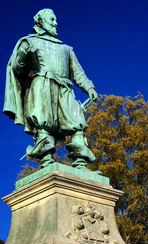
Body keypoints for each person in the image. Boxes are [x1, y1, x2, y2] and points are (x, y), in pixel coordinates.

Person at [3, 8, 99, 171]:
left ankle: (80, 162)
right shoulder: (29, 41)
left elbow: (78, 73)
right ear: (40, 22)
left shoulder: (66, 49)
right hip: (42, 85)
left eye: (55, 20)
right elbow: (17, 69)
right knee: (43, 121)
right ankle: (46, 159)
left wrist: (89, 87)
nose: (56, 23)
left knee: (76, 122)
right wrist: (22, 54)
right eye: (52, 20)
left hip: (64, 88)